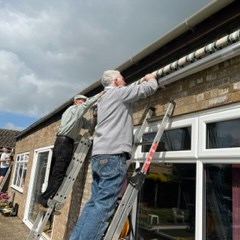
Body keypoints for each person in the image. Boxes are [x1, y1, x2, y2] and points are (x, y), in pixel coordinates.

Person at [70, 70, 158, 240]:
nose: (125, 81)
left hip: (98, 156)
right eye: (123, 78)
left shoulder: (102, 99)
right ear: (117, 81)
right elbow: (148, 89)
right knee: (104, 205)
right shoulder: (118, 93)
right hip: (113, 155)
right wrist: (151, 78)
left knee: (94, 203)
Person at [38, 93, 103, 209]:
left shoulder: (79, 118)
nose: (83, 102)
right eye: (81, 101)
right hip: (63, 142)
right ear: (75, 102)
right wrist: (99, 95)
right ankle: (46, 198)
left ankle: (46, 197)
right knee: (59, 171)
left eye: (84, 100)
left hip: (67, 143)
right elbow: (84, 107)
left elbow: (89, 126)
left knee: (59, 171)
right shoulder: (72, 109)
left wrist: (94, 116)